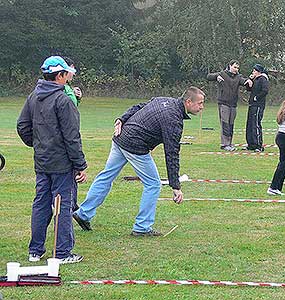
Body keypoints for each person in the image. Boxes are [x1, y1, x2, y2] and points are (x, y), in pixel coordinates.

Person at [73, 86, 205, 236]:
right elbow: (172, 153)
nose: (202, 107)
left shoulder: (164, 100)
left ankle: (83, 214)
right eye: (200, 103)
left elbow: (139, 106)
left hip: (121, 138)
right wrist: (176, 186)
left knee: (106, 176)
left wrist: (122, 119)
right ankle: (142, 227)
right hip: (134, 145)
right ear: (188, 102)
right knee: (153, 184)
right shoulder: (173, 119)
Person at [17, 56, 87, 264]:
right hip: (61, 164)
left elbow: (22, 127)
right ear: (60, 76)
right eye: (66, 74)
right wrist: (80, 164)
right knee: (62, 205)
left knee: (41, 203)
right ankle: (63, 253)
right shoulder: (63, 100)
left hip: (42, 161)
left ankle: (35, 251)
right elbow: (72, 136)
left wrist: (38, 144)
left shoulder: (33, 97)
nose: (68, 77)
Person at [207, 60, 252, 151]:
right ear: (230, 66)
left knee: (231, 124)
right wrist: (217, 76)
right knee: (225, 123)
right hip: (223, 103)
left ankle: (230, 143)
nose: (236, 69)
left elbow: (243, 81)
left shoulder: (238, 77)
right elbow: (209, 76)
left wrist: (248, 81)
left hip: (233, 104)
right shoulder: (222, 74)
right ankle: (224, 144)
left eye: (237, 68)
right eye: (235, 67)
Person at [63, 57, 83, 213]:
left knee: (73, 174)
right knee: (70, 173)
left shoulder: (68, 88)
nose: (73, 74)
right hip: (67, 137)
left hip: (72, 132)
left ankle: (73, 205)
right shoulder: (60, 89)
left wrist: (77, 97)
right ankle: (69, 207)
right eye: (72, 70)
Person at [244, 64, 269, 152]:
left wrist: (256, 98)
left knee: (256, 124)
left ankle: (259, 145)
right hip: (252, 105)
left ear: (259, 71)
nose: (253, 72)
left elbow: (265, 90)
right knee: (250, 124)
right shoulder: (255, 79)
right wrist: (249, 80)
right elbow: (249, 89)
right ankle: (251, 144)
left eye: (254, 71)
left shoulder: (263, 79)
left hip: (258, 105)